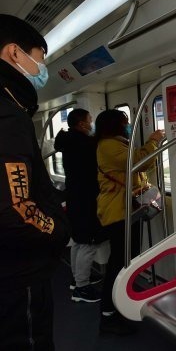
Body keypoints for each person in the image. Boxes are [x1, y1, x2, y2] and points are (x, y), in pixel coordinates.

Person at [0, 14, 70, 349]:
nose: (41, 70)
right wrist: (58, 229)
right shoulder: (8, 116)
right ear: (15, 53)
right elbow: (16, 210)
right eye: (39, 59)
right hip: (18, 276)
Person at [95, 109, 164, 335]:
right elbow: (137, 161)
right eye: (125, 122)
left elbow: (141, 165)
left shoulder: (119, 142)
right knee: (119, 263)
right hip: (118, 213)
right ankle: (108, 314)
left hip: (127, 211)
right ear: (115, 125)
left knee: (126, 260)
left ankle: (120, 304)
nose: (128, 125)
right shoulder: (108, 146)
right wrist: (153, 142)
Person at [54, 108, 104, 303]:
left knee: (78, 240)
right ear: (82, 124)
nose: (91, 124)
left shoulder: (69, 141)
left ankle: (77, 279)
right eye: (89, 120)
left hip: (75, 196)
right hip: (86, 198)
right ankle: (81, 288)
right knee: (89, 242)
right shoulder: (84, 144)